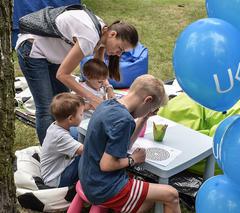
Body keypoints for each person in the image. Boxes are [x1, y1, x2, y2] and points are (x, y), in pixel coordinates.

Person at [16, 6, 139, 144]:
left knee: (65, 105)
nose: (118, 54)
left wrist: (108, 87)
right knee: (46, 108)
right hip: (32, 49)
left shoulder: (103, 32)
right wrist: (92, 98)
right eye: (120, 49)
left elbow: (97, 68)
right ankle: (49, 155)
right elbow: (62, 75)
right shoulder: (90, 37)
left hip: (53, 53)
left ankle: (64, 145)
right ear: (113, 34)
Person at [79, 74, 181, 213]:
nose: (150, 112)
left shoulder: (107, 104)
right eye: (152, 109)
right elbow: (107, 164)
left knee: (150, 198)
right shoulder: (124, 120)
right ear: (147, 100)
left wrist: (144, 118)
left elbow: (123, 146)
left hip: (88, 178)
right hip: (104, 187)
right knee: (171, 194)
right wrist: (133, 159)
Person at [40, 93, 84, 188]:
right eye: (81, 114)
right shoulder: (60, 136)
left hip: (57, 170)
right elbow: (86, 151)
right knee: (86, 158)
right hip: (56, 180)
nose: (83, 116)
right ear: (70, 119)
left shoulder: (56, 125)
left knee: (75, 132)